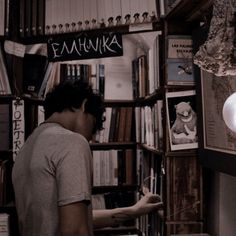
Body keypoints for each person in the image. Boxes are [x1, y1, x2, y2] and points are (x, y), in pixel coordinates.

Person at [12, 79, 163, 236]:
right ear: (84, 105)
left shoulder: (28, 146)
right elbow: (75, 230)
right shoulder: (72, 141)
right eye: (93, 125)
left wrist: (133, 211)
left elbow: (72, 219)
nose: (90, 137)